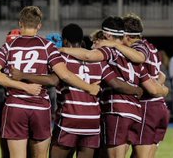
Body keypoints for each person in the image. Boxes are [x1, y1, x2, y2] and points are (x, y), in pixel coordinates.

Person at [0, 6, 102, 158]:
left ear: (20, 24)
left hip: (15, 106)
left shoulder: (9, 46)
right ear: (39, 25)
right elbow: (65, 75)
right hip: (40, 107)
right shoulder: (47, 46)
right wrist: (89, 87)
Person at [50, 23, 154, 158]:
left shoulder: (61, 58)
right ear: (82, 42)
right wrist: (136, 89)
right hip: (92, 122)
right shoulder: (100, 62)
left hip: (69, 118)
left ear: (64, 41)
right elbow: (116, 83)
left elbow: (52, 80)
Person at [83, 14, 170, 158]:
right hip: (156, 106)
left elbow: (140, 58)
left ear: (127, 36)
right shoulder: (151, 47)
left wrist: (114, 44)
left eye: (122, 35)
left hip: (145, 105)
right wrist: (163, 89)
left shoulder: (137, 48)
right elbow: (160, 75)